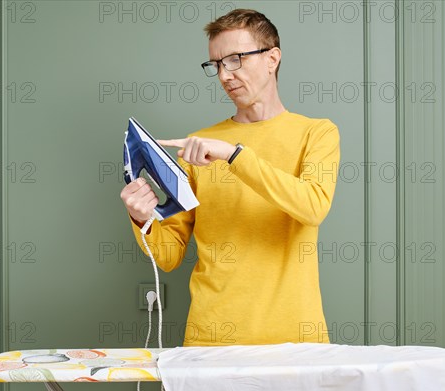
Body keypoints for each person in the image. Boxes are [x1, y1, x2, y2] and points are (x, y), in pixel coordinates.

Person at [120, 9, 340, 346]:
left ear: (272, 58)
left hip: (297, 341)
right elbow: (168, 257)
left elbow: (312, 206)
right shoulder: (197, 147)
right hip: (211, 342)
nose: (225, 75)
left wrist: (233, 155)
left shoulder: (316, 133)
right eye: (216, 64)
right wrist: (142, 219)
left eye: (235, 59)